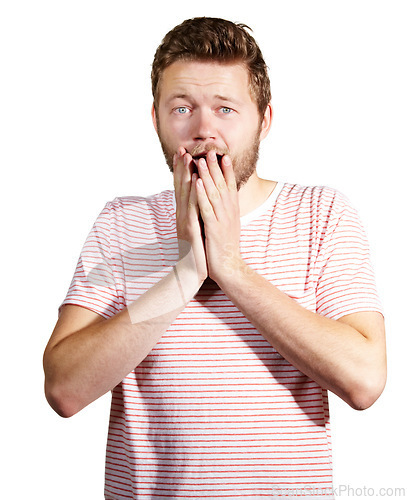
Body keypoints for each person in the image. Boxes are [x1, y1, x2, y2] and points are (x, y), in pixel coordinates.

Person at [43, 17, 386, 500]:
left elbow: (365, 381)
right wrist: (186, 274)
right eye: (182, 108)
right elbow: (64, 389)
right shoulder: (122, 222)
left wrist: (230, 268)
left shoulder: (322, 214)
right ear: (157, 118)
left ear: (264, 119)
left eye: (226, 109)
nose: (203, 129)